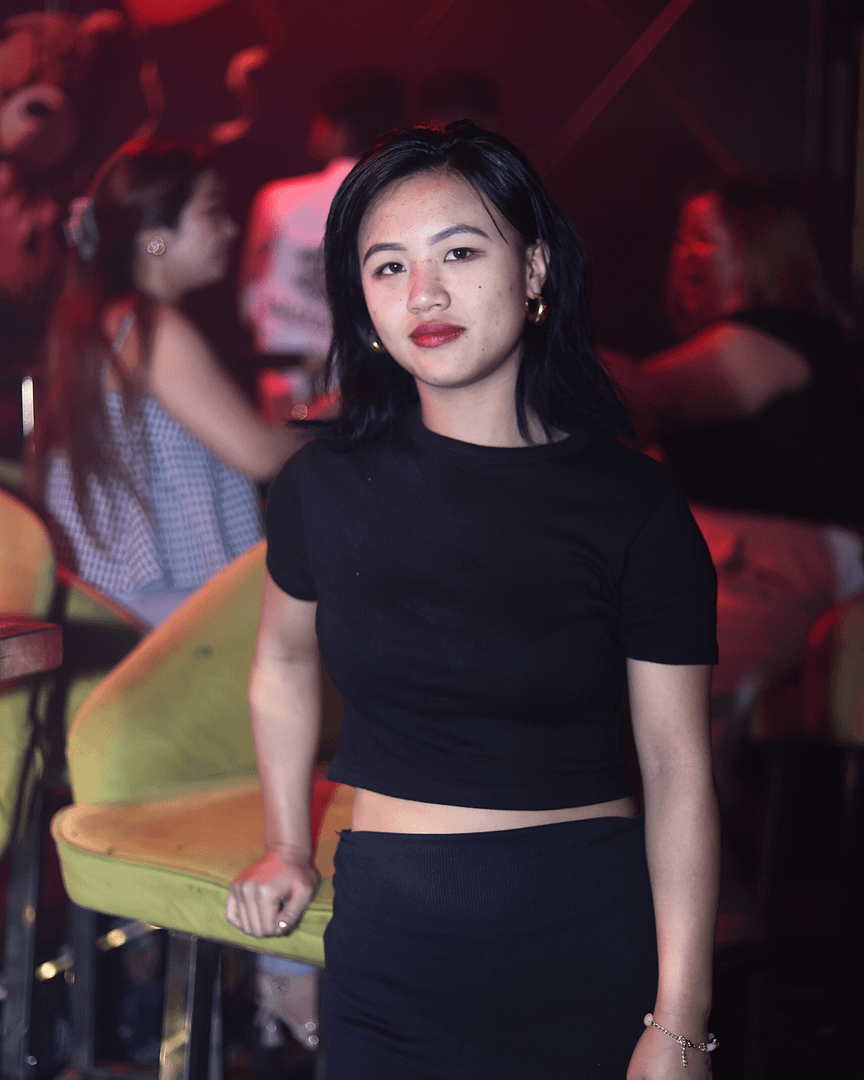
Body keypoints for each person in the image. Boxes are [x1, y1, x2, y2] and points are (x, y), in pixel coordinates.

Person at [226, 122, 720, 1079]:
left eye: (458, 252)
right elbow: (281, 659)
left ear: (534, 269)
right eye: (388, 267)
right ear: (362, 302)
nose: (425, 294)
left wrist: (680, 1021)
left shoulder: (635, 506)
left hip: (584, 939)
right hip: (389, 953)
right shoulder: (322, 487)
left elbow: (677, 767)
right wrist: (287, 843)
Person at [608, 174, 864, 788]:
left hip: (781, 566)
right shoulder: (714, 351)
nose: (684, 254)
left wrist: (516, 339)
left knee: (646, 695)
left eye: (704, 237)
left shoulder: (782, 334)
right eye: (679, 238)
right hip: (724, 560)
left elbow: (638, 391)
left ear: (760, 246)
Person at [33, 138, 301, 628]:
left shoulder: (100, 322)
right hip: (167, 610)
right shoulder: (149, 328)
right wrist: (337, 417)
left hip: (124, 602)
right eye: (212, 210)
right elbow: (261, 454)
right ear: (154, 238)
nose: (231, 228)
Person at [239, 69, 407, 372]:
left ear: (338, 129)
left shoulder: (277, 198)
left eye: (317, 123)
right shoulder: (404, 201)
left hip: (286, 373)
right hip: (372, 373)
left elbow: (248, 304)